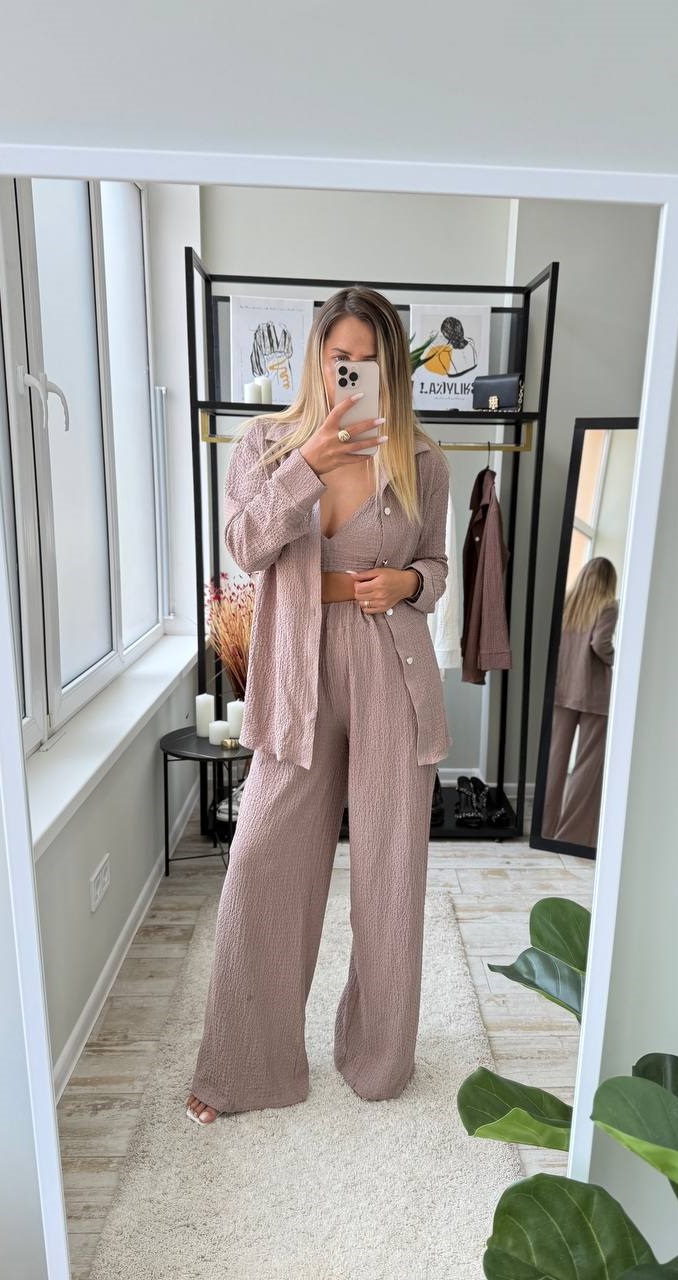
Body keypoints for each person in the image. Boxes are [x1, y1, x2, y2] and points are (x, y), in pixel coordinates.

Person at [186, 287, 453, 1124]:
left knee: (389, 871)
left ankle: (378, 1058)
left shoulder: (423, 459)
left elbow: (438, 569)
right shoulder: (266, 445)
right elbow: (244, 546)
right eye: (341, 360)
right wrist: (311, 461)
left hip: (390, 667)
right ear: (317, 359)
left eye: (370, 363)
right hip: (297, 666)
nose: (353, 375)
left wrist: (407, 581)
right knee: (260, 862)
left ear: (391, 369)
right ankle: (247, 1067)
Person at [542, 556, 618, 847]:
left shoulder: (568, 601)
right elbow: (601, 644)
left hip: (562, 689)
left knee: (554, 762)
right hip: (594, 694)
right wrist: (616, 660)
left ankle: (545, 829)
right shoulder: (608, 605)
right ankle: (573, 835)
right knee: (587, 766)